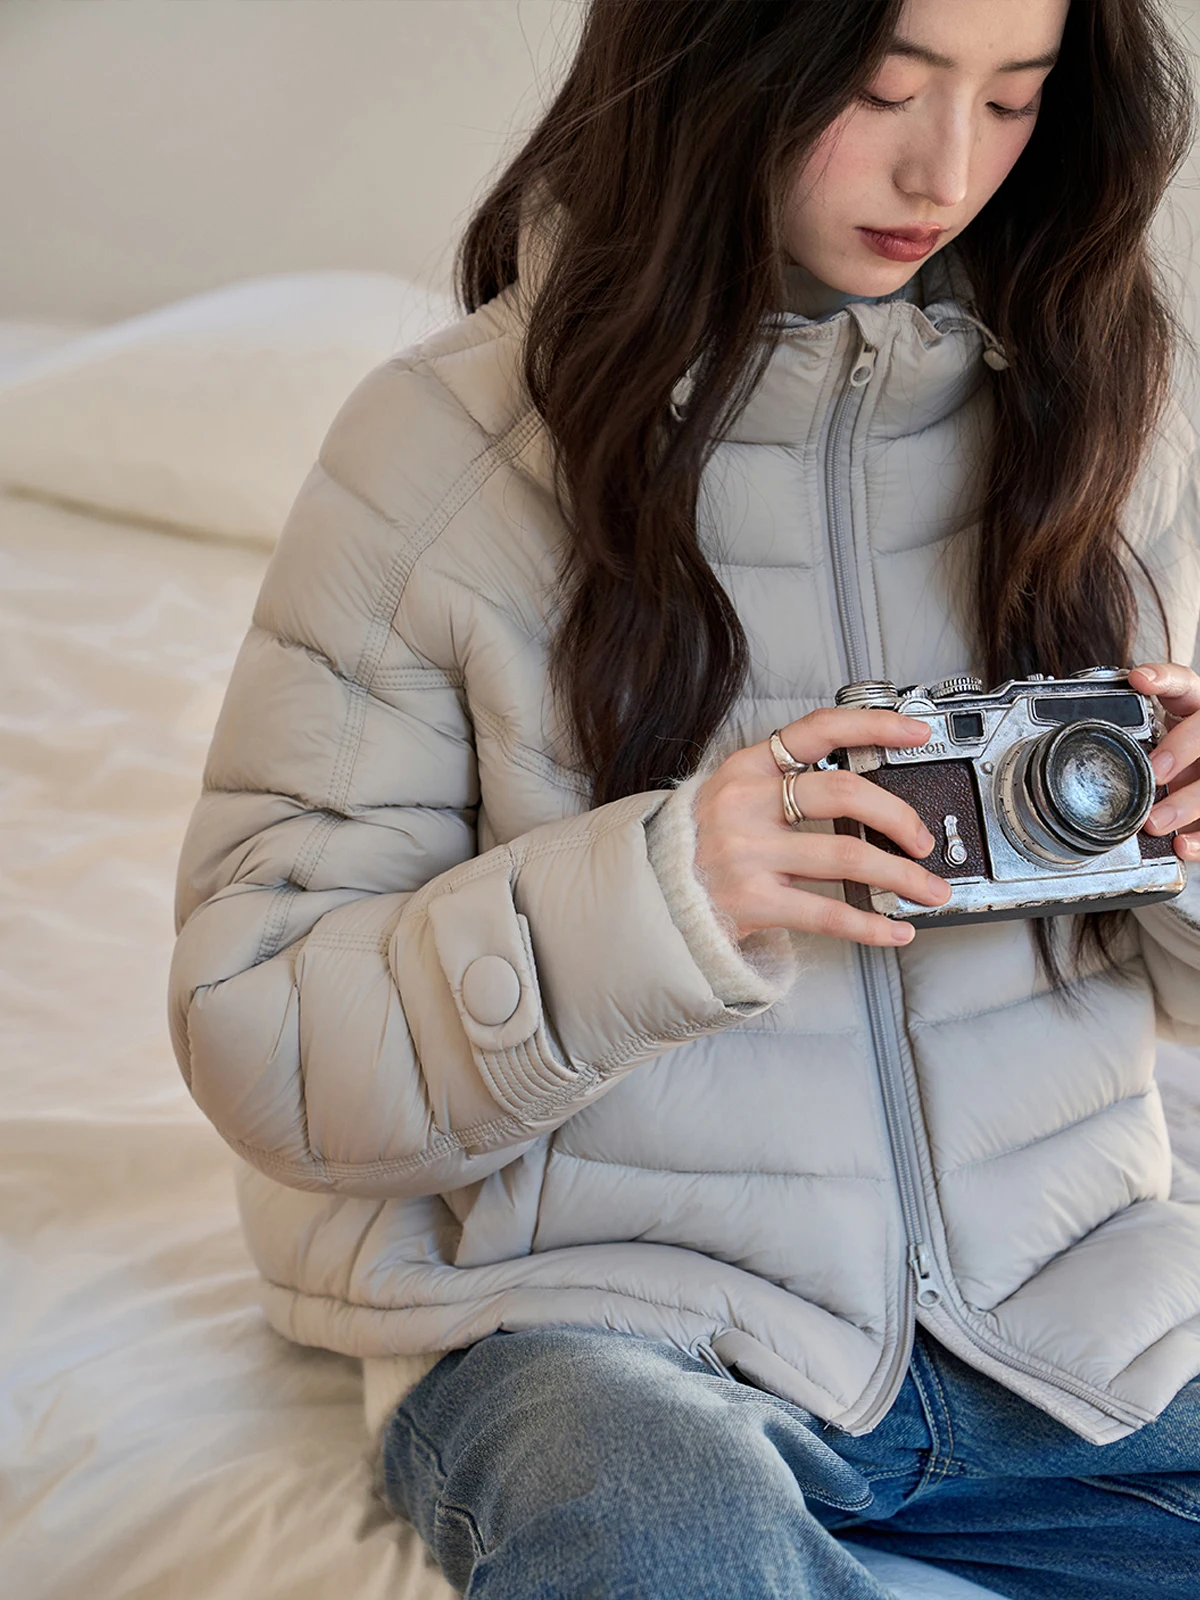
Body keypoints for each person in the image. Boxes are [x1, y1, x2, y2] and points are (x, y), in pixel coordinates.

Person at [167, 0, 1200, 1593]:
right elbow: (259, 1019)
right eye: (883, 88)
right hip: (605, 1326)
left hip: (1080, 1321)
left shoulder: (1105, 415)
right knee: (664, 1542)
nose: (949, 166)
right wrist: (665, 898)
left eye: (1016, 100)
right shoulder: (443, 451)